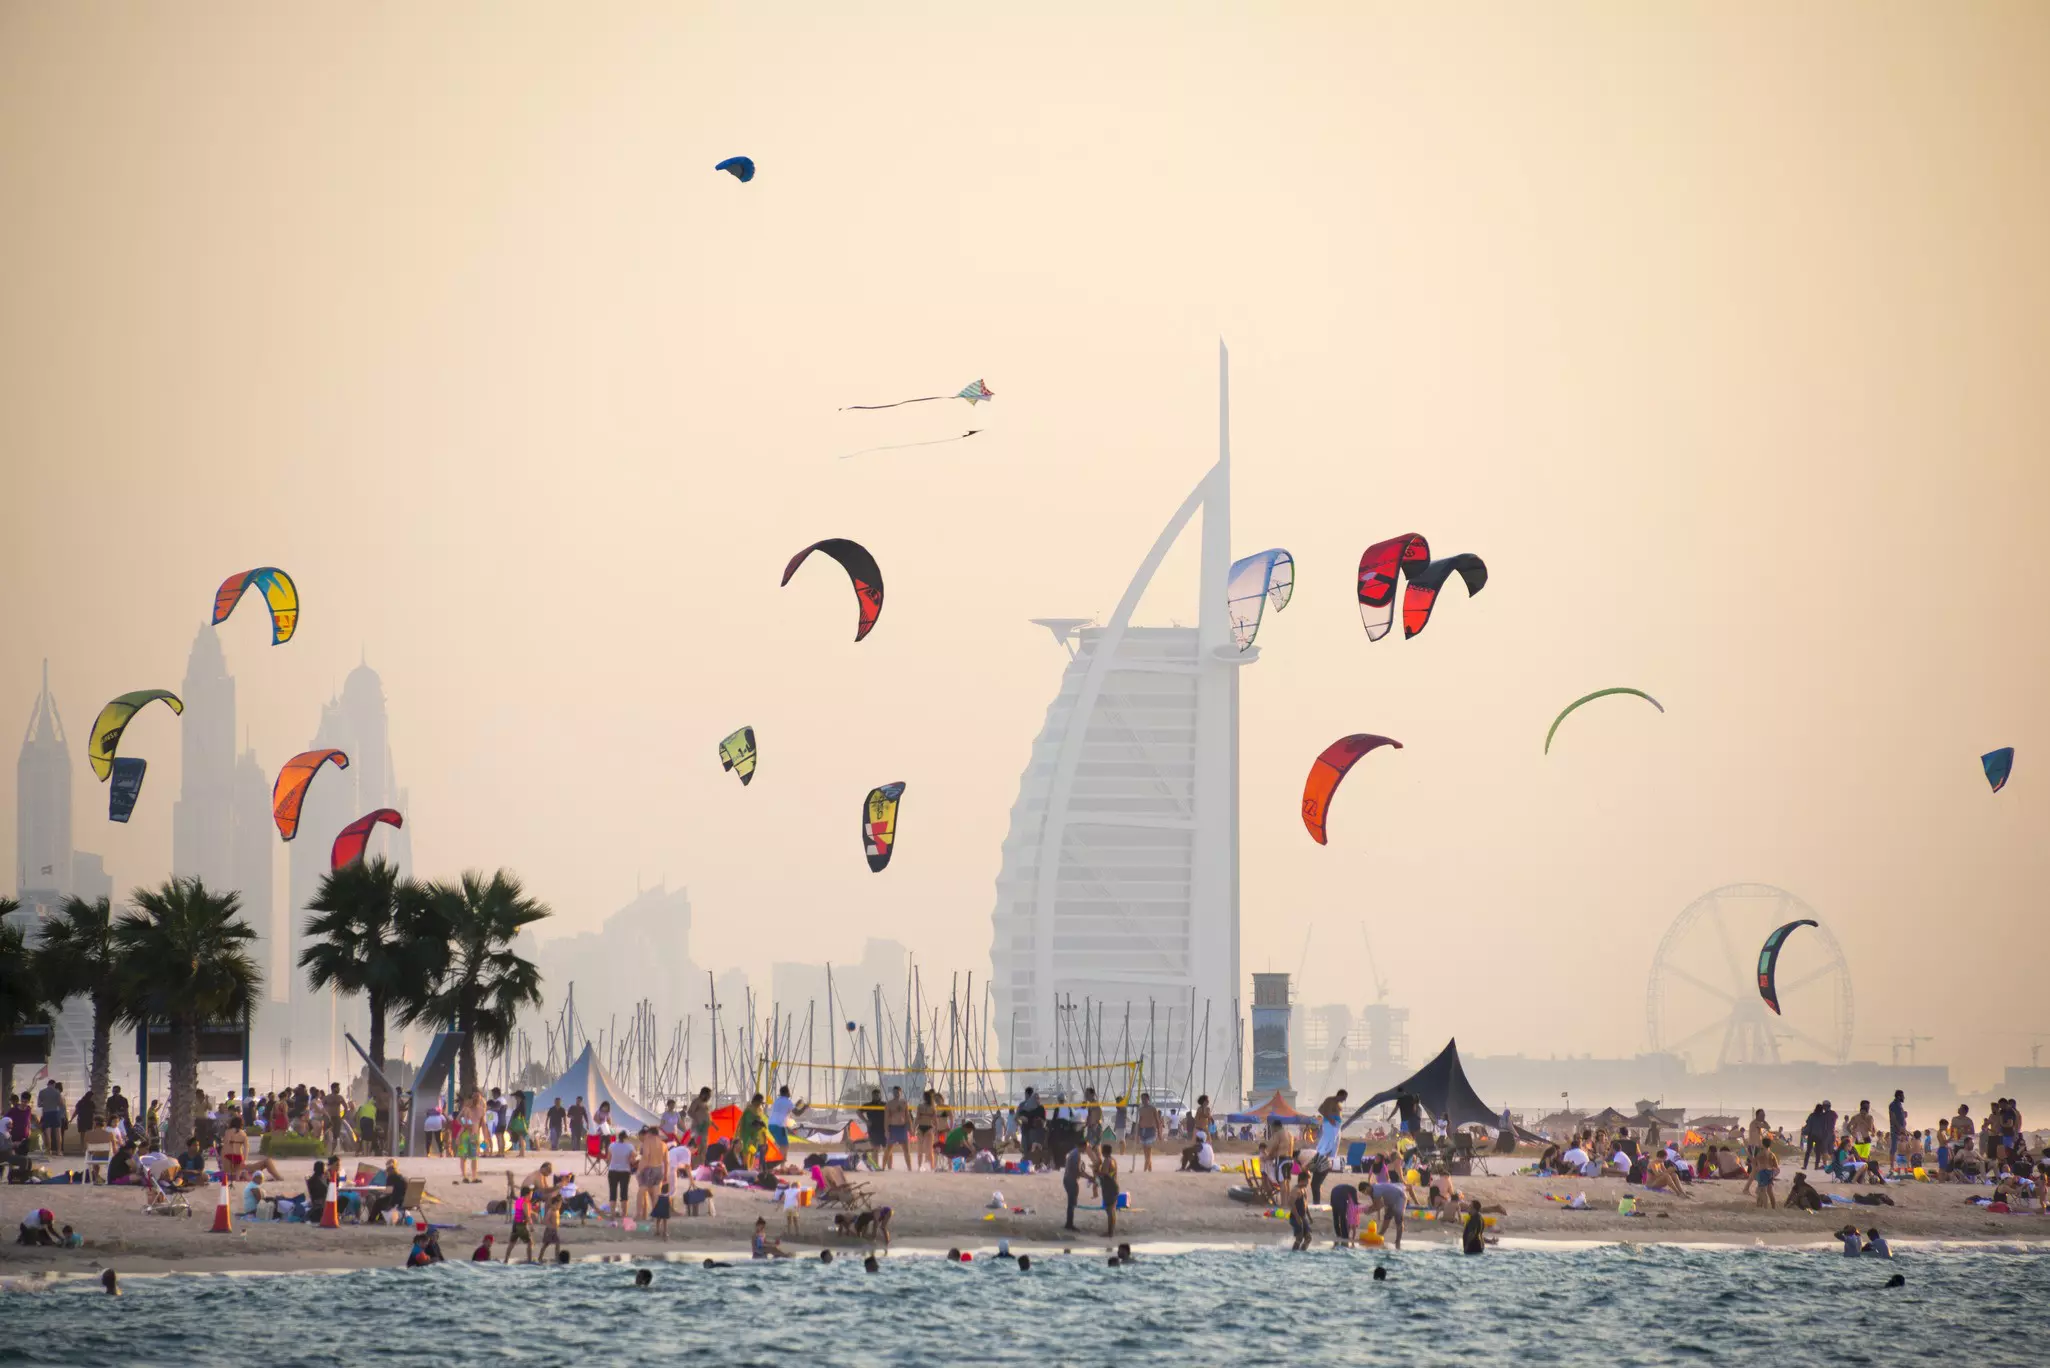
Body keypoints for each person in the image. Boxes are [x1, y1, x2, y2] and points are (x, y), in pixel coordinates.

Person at [1370, 1177, 1407, 1249]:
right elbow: (1379, 1203)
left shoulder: (1377, 1189)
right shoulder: (1378, 1188)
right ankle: (1380, 1235)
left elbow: (1379, 1205)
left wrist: (1369, 1210)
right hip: (1391, 1201)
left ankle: (1398, 1240)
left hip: (1399, 1199)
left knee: (1398, 1220)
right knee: (1387, 1217)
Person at [605, 1131, 637, 1213]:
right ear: (626, 1138)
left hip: (613, 1170)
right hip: (625, 1171)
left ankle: (612, 1214)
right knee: (624, 1193)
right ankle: (624, 1215)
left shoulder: (612, 1145)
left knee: (612, 1193)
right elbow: (633, 1160)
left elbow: (608, 1159)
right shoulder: (630, 1146)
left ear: (618, 1137)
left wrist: (610, 1164)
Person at [1061, 1137, 1088, 1232]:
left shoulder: (1074, 1152)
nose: (1086, 1150)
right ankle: (1069, 1224)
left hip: (1069, 1179)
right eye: (1086, 1148)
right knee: (1072, 1203)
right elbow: (1078, 1171)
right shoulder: (1076, 1155)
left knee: (1072, 1203)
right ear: (1083, 1147)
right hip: (1070, 1180)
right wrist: (1090, 1178)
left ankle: (1069, 1223)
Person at [883, 1087, 913, 1171]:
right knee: (888, 1149)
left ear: (901, 1092)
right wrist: (886, 1130)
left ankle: (910, 1168)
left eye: (898, 1092)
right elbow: (886, 1118)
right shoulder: (889, 1104)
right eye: (895, 1092)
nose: (896, 1094)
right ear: (893, 1093)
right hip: (893, 1128)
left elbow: (907, 1116)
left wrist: (911, 1128)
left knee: (906, 1149)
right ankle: (882, 1167)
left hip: (902, 1128)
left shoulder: (904, 1103)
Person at [1097, 1143, 1121, 1236]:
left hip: (1109, 1188)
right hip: (1113, 1186)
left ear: (1104, 1152)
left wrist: (1097, 1172)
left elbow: (1105, 1173)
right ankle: (1111, 1231)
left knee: (1110, 1210)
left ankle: (1110, 1232)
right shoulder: (1113, 1160)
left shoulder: (1107, 1160)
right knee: (1112, 1210)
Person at [1135, 1092, 1162, 1172]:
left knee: (1148, 1151)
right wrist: (1137, 1134)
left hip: (1151, 1131)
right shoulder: (1140, 1109)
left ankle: (1144, 1170)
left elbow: (1157, 1120)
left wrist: (1159, 1133)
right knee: (1145, 1153)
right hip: (1143, 1131)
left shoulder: (1152, 1108)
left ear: (1148, 1099)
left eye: (1144, 1098)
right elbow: (1139, 1122)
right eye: (1142, 1099)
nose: (1143, 1100)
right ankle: (1150, 1169)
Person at [1888, 1090, 1909, 1168]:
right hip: (1896, 1130)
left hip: (1902, 1129)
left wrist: (1904, 1114)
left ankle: (1906, 1165)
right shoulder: (1893, 1105)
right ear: (1899, 1096)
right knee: (1894, 1148)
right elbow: (1893, 1117)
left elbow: (1899, 1116)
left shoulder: (1899, 1105)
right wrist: (1900, 1128)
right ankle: (1892, 1167)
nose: (1904, 1098)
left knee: (1905, 1147)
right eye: (1903, 1096)